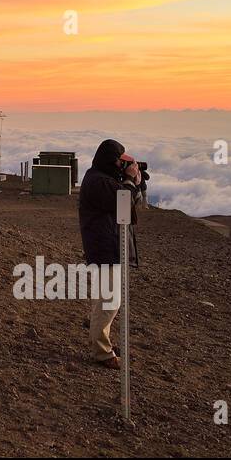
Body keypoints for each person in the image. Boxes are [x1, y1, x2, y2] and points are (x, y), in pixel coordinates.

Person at [78, 138, 142, 369]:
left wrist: (134, 182)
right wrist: (129, 181)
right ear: (111, 161)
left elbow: (130, 205)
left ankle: (102, 345)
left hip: (107, 246)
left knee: (105, 300)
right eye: (119, 162)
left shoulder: (101, 179)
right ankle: (102, 352)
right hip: (105, 248)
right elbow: (123, 205)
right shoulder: (99, 182)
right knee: (108, 302)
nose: (121, 166)